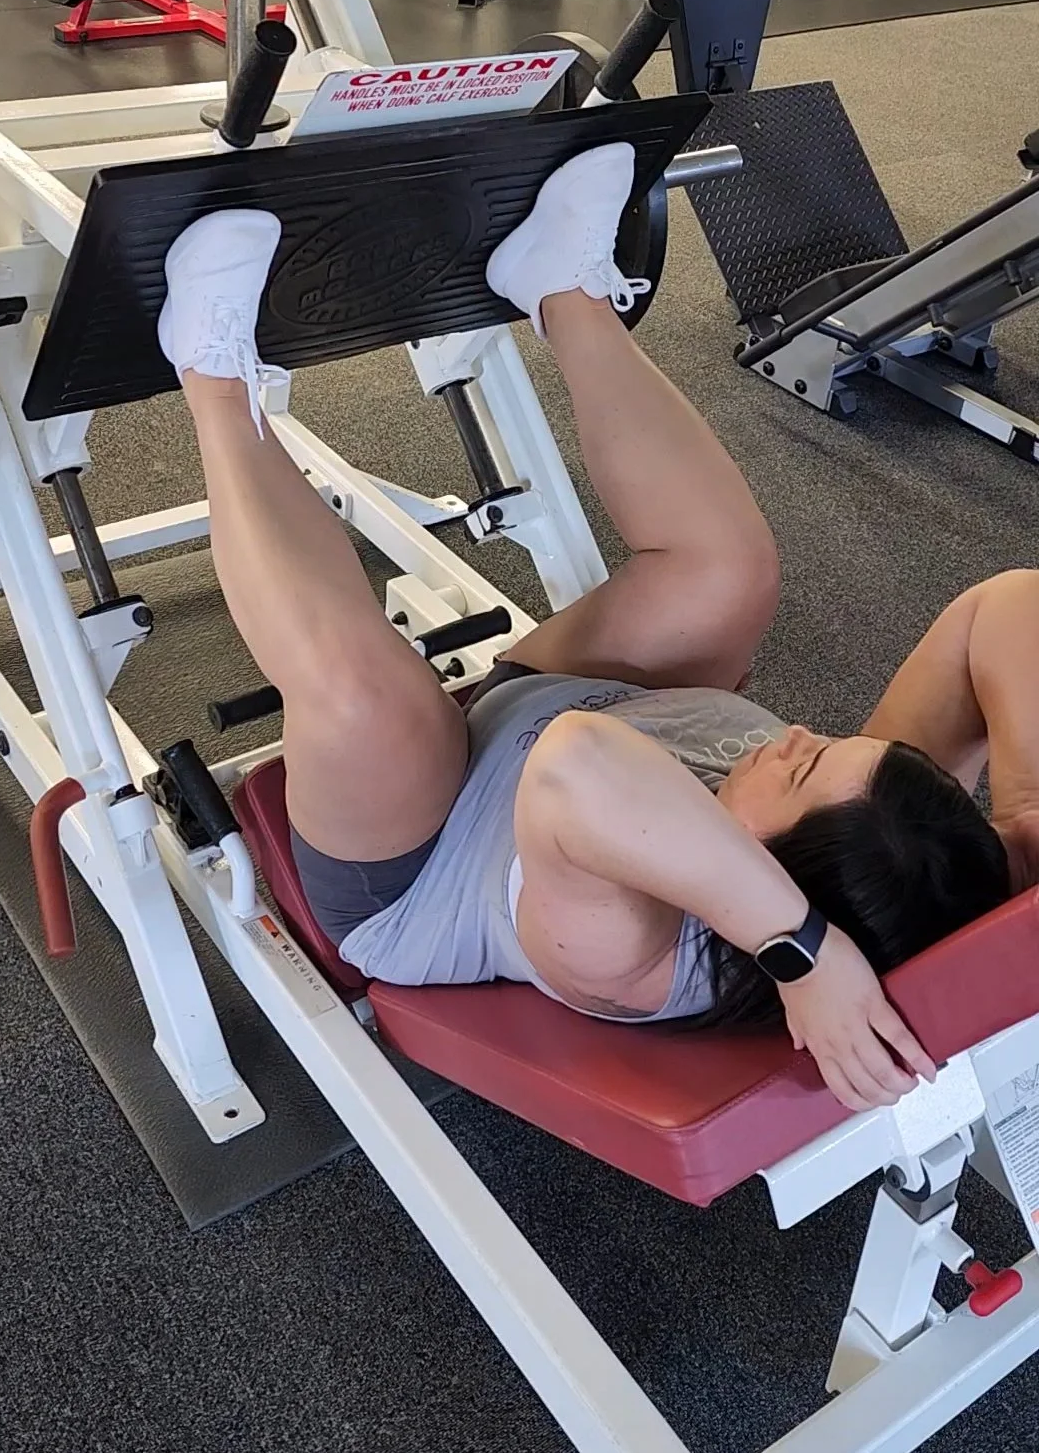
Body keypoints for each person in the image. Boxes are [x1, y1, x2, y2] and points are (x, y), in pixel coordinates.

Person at [158, 143, 1036, 1117]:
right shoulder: (907, 864)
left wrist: (802, 948)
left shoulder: (645, 958)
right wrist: (1026, 826)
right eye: (826, 747)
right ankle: (561, 288)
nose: (794, 735)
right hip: (575, 721)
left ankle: (212, 377)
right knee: (726, 573)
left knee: (374, 708)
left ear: (786, 886)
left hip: (419, 855)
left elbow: (576, 764)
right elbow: (1006, 608)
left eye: (800, 773)